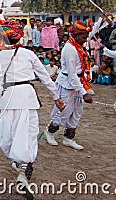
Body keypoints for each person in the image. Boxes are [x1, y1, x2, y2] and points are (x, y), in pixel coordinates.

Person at [0, 22, 64, 192]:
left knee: (9, 137)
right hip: (27, 97)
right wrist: (56, 98)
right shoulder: (28, 54)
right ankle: (22, 167)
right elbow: (45, 77)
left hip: (7, 99)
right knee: (27, 135)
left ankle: (23, 170)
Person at [44, 20, 94, 150]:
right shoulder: (70, 49)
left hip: (78, 83)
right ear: (76, 35)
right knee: (64, 112)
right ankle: (49, 132)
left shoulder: (79, 45)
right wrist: (84, 93)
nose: (85, 39)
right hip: (68, 84)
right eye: (83, 37)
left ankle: (68, 138)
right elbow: (72, 75)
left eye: (86, 36)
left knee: (77, 112)